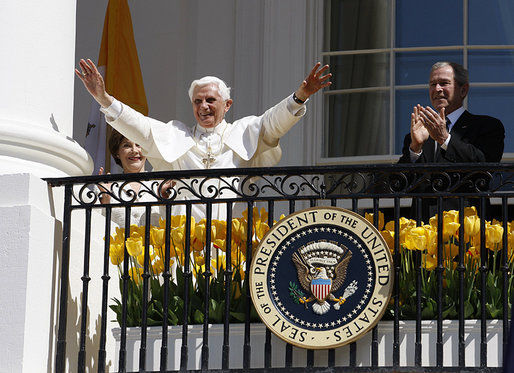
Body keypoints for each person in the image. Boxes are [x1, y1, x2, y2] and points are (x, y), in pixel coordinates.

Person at [76, 58, 331, 219]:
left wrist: (300, 96)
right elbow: (140, 127)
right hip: (185, 243)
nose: (204, 106)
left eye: (211, 100)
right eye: (198, 101)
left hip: (230, 241)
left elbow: (273, 122)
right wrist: (104, 99)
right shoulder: (176, 135)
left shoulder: (243, 132)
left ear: (227, 104)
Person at [397, 61, 505, 220]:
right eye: (433, 84)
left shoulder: (487, 126)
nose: (437, 89)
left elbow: (485, 165)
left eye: (444, 83)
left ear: (463, 90)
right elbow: (397, 185)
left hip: (467, 230)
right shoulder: (417, 135)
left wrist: (445, 139)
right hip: (423, 233)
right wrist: (415, 148)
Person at [97, 129, 162, 227]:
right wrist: (106, 200)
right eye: (126, 145)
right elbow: (97, 228)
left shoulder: (159, 185)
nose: (134, 150)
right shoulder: (107, 186)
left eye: (138, 145)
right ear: (117, 152)